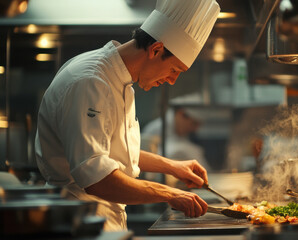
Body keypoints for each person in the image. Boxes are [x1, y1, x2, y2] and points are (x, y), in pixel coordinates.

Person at [34, 0, 220, 231]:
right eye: (174, 70)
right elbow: (97, 178)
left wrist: (173, 167)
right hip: (79, 222)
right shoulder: (91, 81)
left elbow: (111, 151)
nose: (172, 81)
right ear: (156, 49)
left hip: (101, 217)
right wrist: (169, 193)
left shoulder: (119, 81)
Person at [142, 106, 212, 172]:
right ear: (181, 114)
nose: (195, 129)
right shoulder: (154, 130)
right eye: (194, 123)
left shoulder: (185, 134)